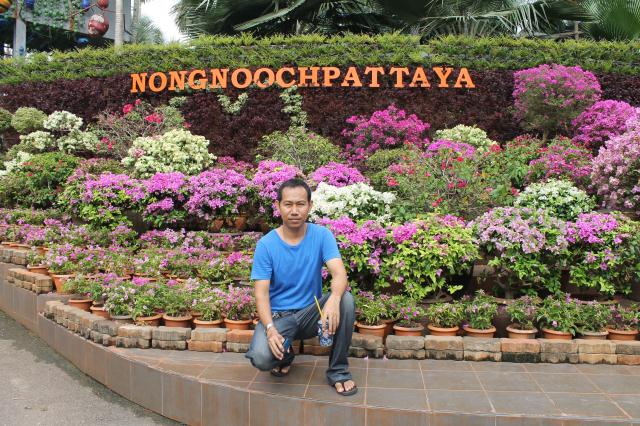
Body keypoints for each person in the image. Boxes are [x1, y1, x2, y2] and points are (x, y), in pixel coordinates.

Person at [245, 178, 357, 396]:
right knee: (261, 358)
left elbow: (339, 274)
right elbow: (261, 294)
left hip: (310, 315)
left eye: (300, 204)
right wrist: (270, 329)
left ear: (310, 206)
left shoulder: (322, 235)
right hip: (279, 318)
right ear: (278, 206)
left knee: (346, 300)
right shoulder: (266, 245)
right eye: (288, 204)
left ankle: (338, 372)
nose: (294, 211)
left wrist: (333, 300)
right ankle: (285, 355)